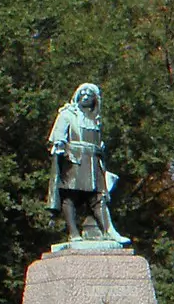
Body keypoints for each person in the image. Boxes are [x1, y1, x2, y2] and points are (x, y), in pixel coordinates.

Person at [47, 81, 125, 246]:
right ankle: (73, 233)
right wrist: (60, 147)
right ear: (77, 95)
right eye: (83, 93)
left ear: (95, 99)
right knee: (70, 195)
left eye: (90, 95)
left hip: (93, 161)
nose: (85, 97)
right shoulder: (68, 114)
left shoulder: (96, 119)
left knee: (99, 197)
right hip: (74, 159)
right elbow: (58, 136)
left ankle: (109, 231)